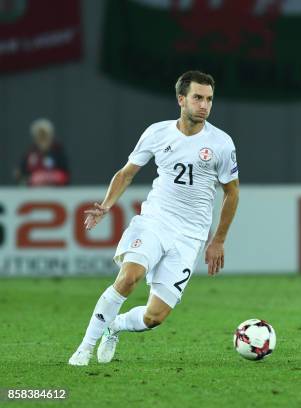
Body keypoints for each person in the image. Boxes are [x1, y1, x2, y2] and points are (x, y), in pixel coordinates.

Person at [68, 71, 240, 366]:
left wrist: (218, 240)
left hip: (191, 236)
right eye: (198, 98)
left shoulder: (222, 144)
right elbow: (127, 173)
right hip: (155, 221)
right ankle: (84, 347)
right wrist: (107, 205)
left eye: (209, 99)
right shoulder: (157, 133)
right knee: (129, 277)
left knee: (155, 317)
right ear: (181, 99)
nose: (204, 105)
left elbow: (232, 193)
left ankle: (115, 326)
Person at [15, 118, 70, 186]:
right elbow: (21, 175)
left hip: (54, 193)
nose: (42, 138)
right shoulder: (29, 153)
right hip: (33, 193)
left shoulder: (58, 153)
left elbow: (65, 175)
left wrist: (47, 178)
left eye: (45, 135)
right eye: (39, 135)